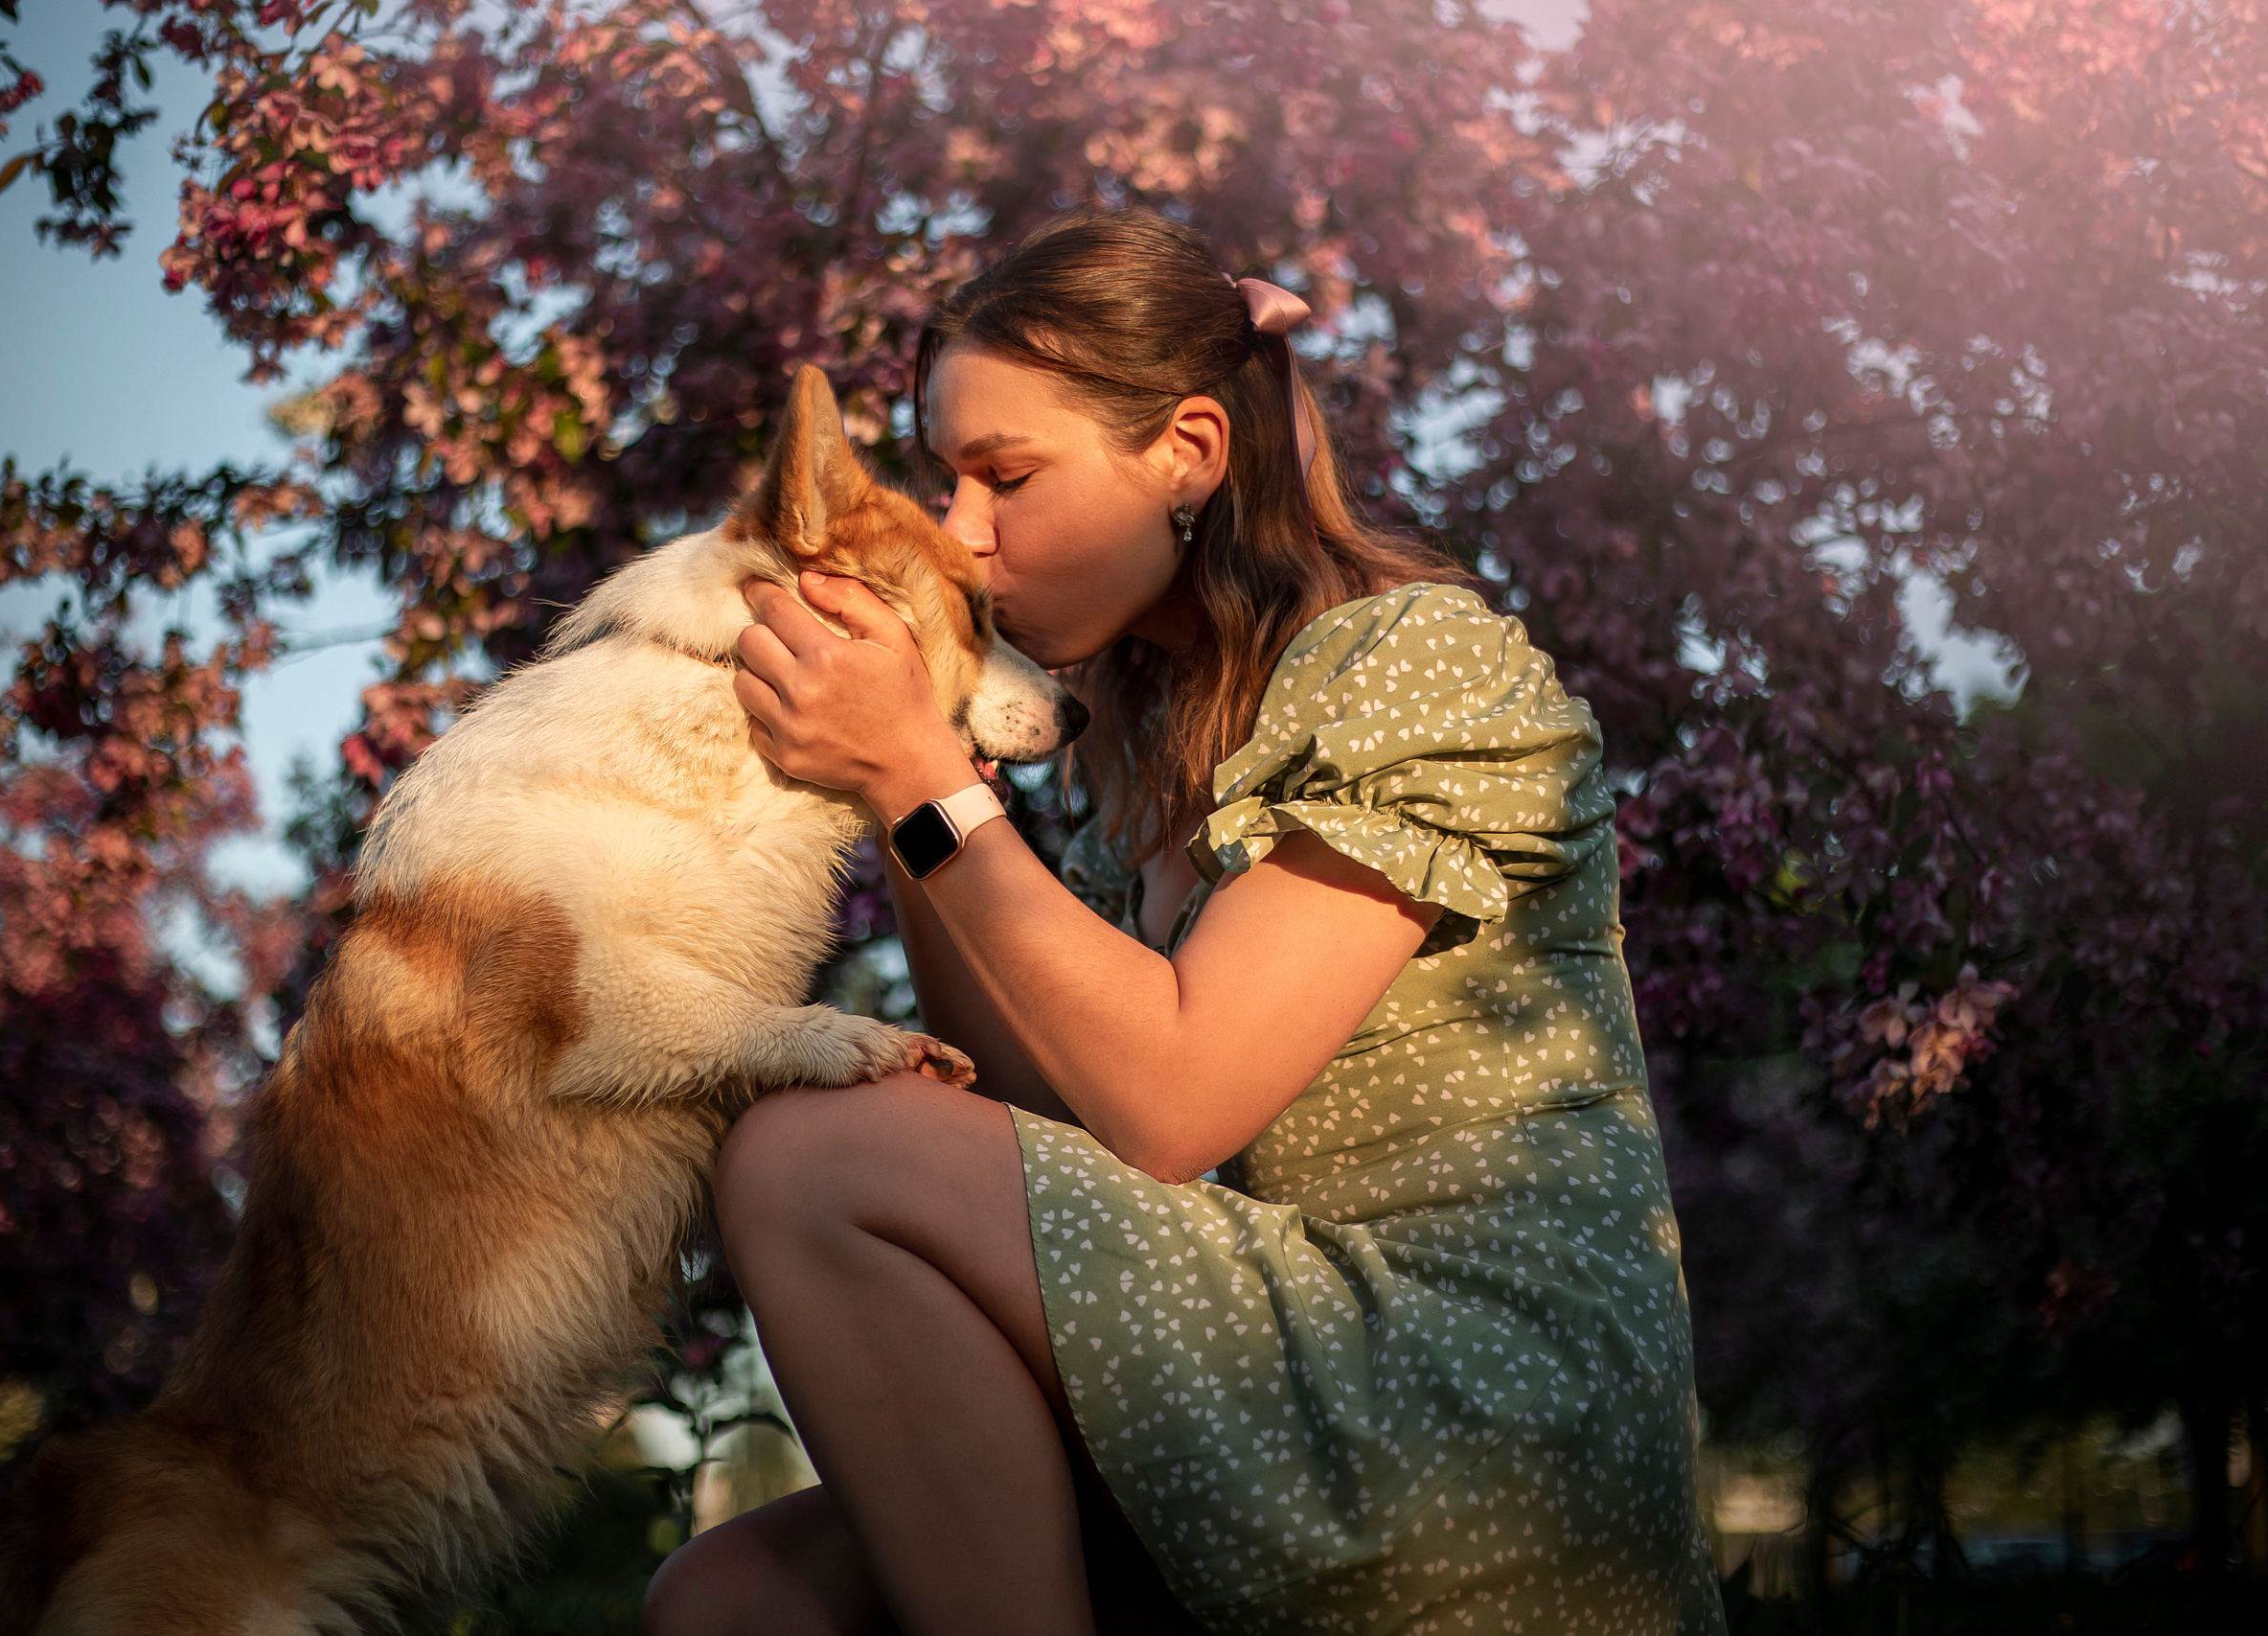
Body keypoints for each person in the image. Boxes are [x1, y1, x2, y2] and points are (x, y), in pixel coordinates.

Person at [641, 210, 1726, 1636]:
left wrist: (914, 772)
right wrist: (911, 783)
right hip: (1262, 1352)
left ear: (1190, 455)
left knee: (807, 1152)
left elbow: (1171, 1102)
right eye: (947, 483)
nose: (960, 536)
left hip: (1467, 1402)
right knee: (731, 1601)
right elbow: (1032, 1118)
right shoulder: (1137, 756)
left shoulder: (1417, 660)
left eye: (1004, 476)